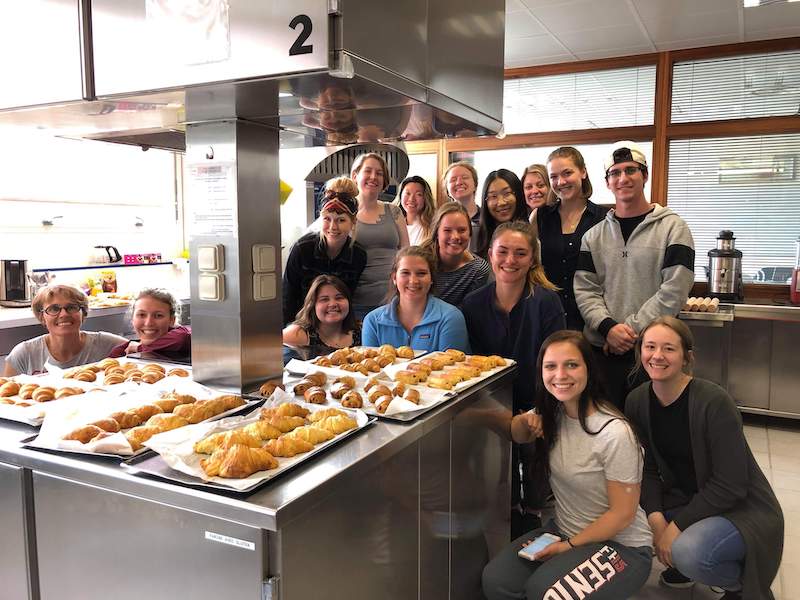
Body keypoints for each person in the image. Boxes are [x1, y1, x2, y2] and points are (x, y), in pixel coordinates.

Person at [482, 330, 653, 600]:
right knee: (496, 581)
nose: (560, 375)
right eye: (551, 366)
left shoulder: (614, 433)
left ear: (589, 369)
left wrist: (569, 546)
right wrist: (466, 413)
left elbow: (622, 515)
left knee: (546, 593)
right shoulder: (553, 414)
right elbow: (514, 430)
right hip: (563, 530)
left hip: (622, 546)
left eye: (571, 365)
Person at [625, 317, 783, 600]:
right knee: (629, 526)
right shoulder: (637, 401)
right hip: (688, 498)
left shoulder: (713, 402)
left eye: (669, 349)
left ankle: (743, 586)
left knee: (690, 552)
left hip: (742, 507)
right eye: (650, 346)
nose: (657, 356)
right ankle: (687, 565)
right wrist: (657, 518)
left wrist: (676, 528)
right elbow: (646, 469)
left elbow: (731, 484)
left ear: (687, 357)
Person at [574, 140, 695, 409]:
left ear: (645, 175)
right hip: (602, 351)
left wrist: (628, 332)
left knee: (648, 428)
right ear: (607, 182)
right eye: (615, 173)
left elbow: (675, 289)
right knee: (605, 428)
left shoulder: (673, 228)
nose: (623, 178)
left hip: (652, 353)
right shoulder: (593, 236)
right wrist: (608, 328)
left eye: (631, 170)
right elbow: (585, 290)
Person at [462, 221, 565, 535]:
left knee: (535, 464)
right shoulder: (473, 303)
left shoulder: (547, 302)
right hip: (494, 403)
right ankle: (506, 512)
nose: (510, 260)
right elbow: (472, 367)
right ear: (490, 253)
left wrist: (539, 409)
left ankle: (532, 512)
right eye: (503, 251)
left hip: (538, 399)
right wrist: (492, 411)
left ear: (532, 258)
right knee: (498, 473)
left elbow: (558, 363)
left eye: (520, 253)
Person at [540, 147, 608, 331]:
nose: (560, 182)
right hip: (547, 317)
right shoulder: (539, 217)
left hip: (591, 321)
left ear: (583, 172)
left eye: (567, 173)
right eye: (553, 176)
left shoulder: (604, 218)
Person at [282, 176, 367, 325]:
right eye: (327, 219)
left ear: (353, 222)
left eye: (341, 220)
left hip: (337, 326)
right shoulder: (302, 249)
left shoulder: (358, 255)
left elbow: (347, 300)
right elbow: (287, 298)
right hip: (300, 326)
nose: (333, 227)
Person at [361, 246, 470, 353]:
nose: (413, 281)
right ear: (394, 278)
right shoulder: (373, 321)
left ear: (431, 278)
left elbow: (452, 367)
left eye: (421, 273)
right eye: (405, 273)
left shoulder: (450, 317)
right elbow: (371, 369)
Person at [4, 284, 127, 376]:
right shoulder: (24, 354)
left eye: (71, 307)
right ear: (42, 317)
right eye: (53, 309)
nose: (63, 314)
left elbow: (142, 351)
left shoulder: (106, 344)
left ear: (83, 313)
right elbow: (5, 401)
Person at [350, 152, 410, 319]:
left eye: (379, 173)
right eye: (368, 171)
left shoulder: (394, 211)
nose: (373, 177)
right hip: (356, 304)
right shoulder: (345, 213)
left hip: (393, 302)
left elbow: (407, 253)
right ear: (355, 175)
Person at [420, 203, 490, 308]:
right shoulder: (420, 261)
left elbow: (470, 313)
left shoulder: (478, 269)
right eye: (447, 230)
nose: (455, 236)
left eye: (462, 230)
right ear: (437, 234)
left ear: (470, 233)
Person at [283, 275, 361, 363]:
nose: (333, 304)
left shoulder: (362, 330)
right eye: (324, 299)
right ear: (313, 305)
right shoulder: (297, 333)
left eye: (339, 298)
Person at [108, 288, 191, 361]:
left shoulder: (180, 338)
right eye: (141, 315)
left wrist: (139, 348)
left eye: (158, 316)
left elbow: (183, 336)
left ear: (172, 320)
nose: (148, 323)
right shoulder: (122, 350)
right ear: (132, 319)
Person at [474, 169, 529, 259]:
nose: (501, 202)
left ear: (518, 194)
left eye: (506, 193)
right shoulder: (476, 236)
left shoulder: (533, 232)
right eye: (493, 196)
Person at [443, 161, 481, 251]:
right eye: (453, 180)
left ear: (475, 185)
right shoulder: (441, 220)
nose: (459, 182)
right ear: (447, 190)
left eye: (465, 177)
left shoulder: (487, 218)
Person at [394, 175, 436, 245]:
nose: (411, 199)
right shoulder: (393, 224)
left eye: (418, 194)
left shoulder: (433, 227)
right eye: (407, 193)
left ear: (425, 198)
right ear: (400, 195)